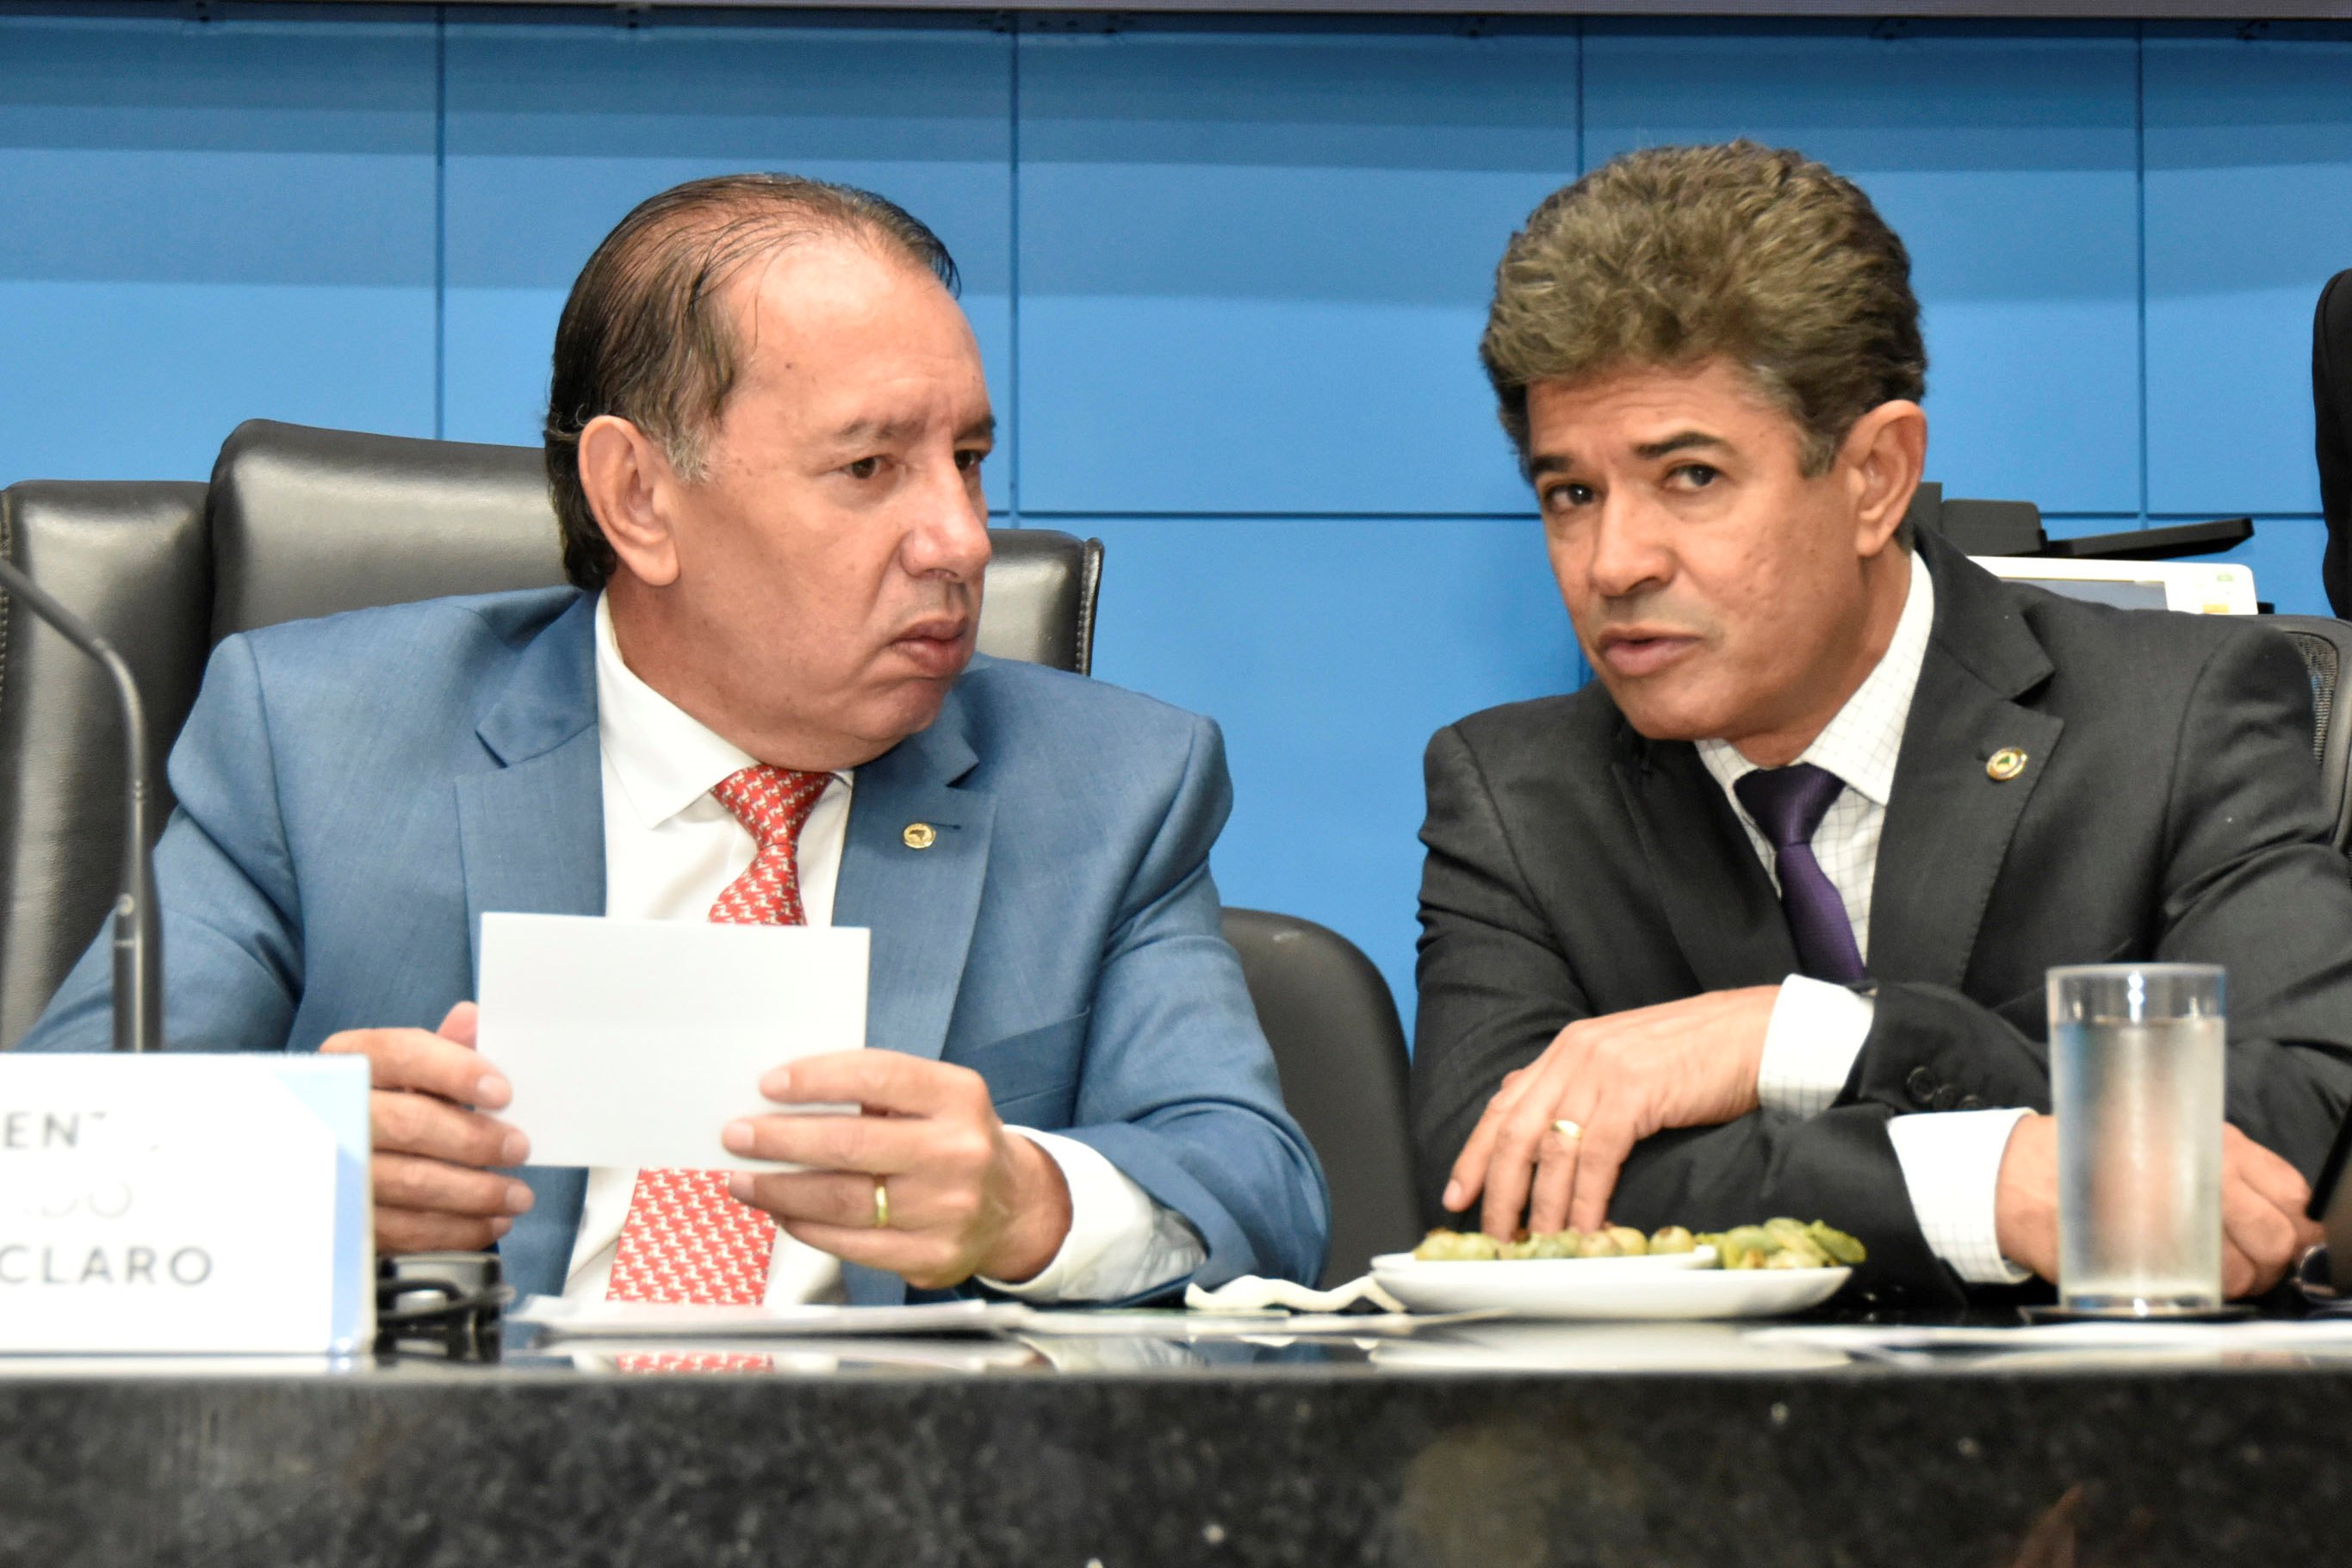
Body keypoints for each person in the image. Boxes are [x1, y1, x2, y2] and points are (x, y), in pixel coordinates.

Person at [20, 174, 1327, 1307]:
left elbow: (1257, 1188)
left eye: (969, 458)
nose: (963, 539)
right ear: (638, 497)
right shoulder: (316, 741)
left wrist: (1026, 1201)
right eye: (870, 467)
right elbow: (49, 1159)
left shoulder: (1108, 788)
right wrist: (290, 1167)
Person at [1412, 141, 2352, 1305]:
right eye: (1572, 494)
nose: (1615, 563)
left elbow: (2298, 1132)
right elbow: (1493, 1192)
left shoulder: (2175, 716)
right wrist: (1986, 1183)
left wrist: (1801, 1039)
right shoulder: (1517, 795)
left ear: (1876, 475)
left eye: (1691, 477)